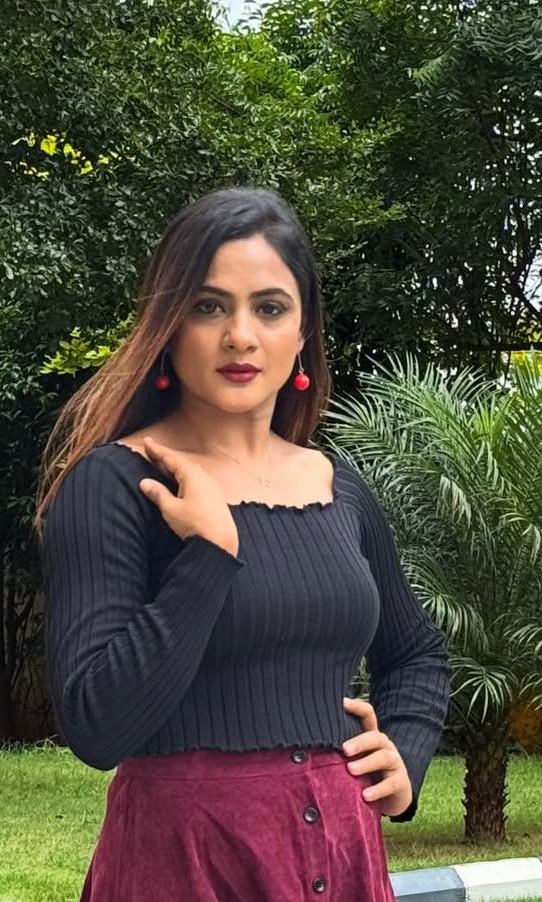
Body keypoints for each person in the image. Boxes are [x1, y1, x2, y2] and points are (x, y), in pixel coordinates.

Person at [35, 185, 452, 901]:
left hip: (341, 849)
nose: (239, 336)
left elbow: (415, 652)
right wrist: (208, 555)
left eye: (269, 308)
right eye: (208, 307)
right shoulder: (115, 483)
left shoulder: (337, 487)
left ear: (303, 329)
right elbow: (96, 725)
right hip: (183, 859)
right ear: (168, 324)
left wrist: (405, 758)